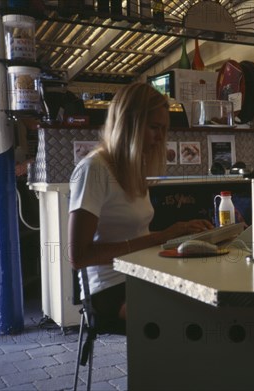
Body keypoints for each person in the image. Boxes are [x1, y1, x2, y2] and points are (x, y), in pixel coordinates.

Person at [68, 83, 213, 327]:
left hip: (140, 275)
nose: (160, 138)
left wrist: (180, 234)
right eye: (154, 128)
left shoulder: (132, 170)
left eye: (163, 129)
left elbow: (134, 238)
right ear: (128, 125)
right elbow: (78, 256)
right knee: (191, 315)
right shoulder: (93, 170)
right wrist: (163, 237)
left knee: (207, 295)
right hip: (108, 290)